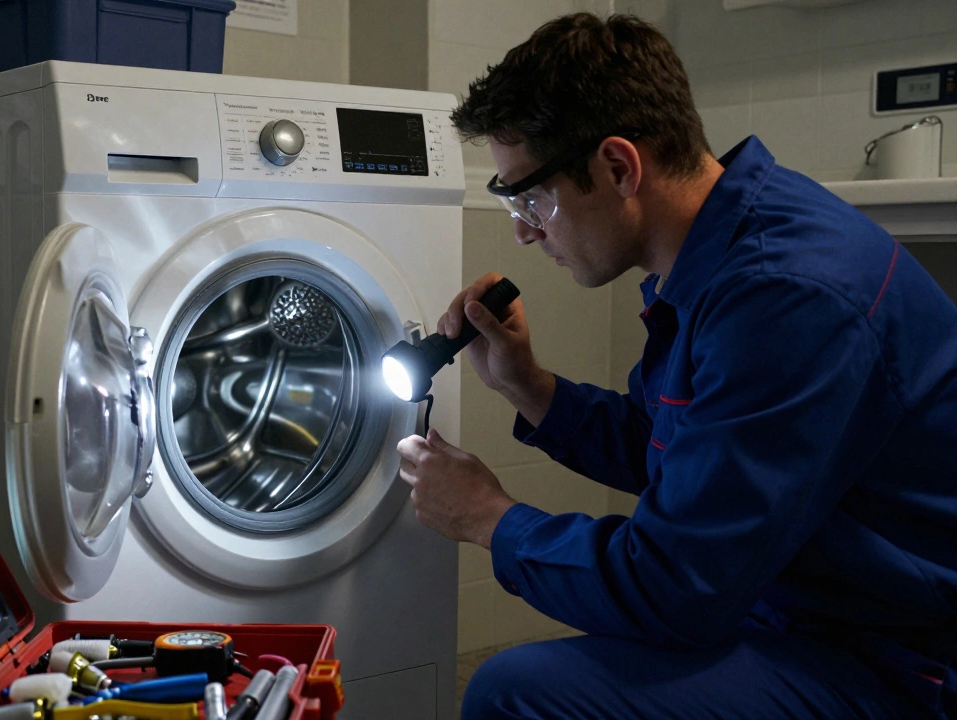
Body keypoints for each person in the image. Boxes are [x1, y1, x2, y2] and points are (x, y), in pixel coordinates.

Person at [396, 12, 957, 720]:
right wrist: (527, 386)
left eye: (531, 197)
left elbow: (676, 589)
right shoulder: (717, 258)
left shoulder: (786, 296)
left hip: (902, 659)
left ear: (618, 167)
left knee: (517, 693)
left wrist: (491, 520)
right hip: (805, 605)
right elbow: (689, 457)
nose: (524, 230)